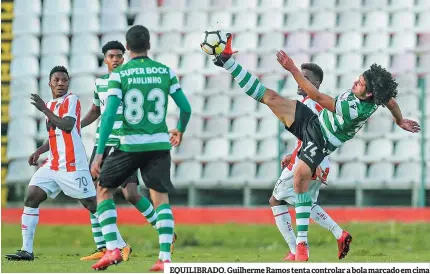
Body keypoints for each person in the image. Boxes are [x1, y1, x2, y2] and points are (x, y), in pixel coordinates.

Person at [213, 35, 420, 261]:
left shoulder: (351, 108)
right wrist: (399, 120)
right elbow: (390, 101)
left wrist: (293, 69)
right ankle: (228, 62)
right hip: (313, 123)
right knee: (270, 97)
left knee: (299, 179)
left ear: (369, 94)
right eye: (359, 79)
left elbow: (316, 95)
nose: (354, 83)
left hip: (321, 139)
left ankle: (300, 247)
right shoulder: (376, 96)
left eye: (359, 84)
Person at [90, 25, 192, 271]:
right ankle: (165, 259)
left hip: (129, 144)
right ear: (148, 45)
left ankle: (113, 248)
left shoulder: (119, 75)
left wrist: (100, 152)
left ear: (127, 48)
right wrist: (180, 129)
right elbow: (186, 108)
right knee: (161, 200)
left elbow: (108, 115)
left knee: (103, 190)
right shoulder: (165, 72)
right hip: (158, 144)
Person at [79, 40, 176, 262]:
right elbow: (96, 110)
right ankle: (105, 246)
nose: (115, 59)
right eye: (111, 56)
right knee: (93, 192)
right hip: (102, 143)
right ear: (105, 58)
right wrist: (79, 124)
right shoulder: (100, 83)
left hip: (125, 143)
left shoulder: (129, 78)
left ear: (124, 56)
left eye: (119, 56)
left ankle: (164, 232)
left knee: (131, 193)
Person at [5, 66, 98, 261]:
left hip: (73, 163)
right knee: (32, 196)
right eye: (56, 80)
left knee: (92, 204)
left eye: (64, 80)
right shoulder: (51, 105)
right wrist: (39, 151)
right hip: (53, 163)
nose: (61, 83)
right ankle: (26, 250)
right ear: (50, 83)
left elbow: (67, 126)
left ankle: (116, 245)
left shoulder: (71, 100)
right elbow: (54, 135)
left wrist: (43, 109)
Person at [270, 63, 351, 261]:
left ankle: (294, 249)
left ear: (315, 83)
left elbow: (310, 139)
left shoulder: (307, 103)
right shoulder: (321, 105)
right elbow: (314, 136)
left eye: (304, 78)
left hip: (306, 161)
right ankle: (340, 234)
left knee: (276, 200)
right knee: (307, 202)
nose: (299, 81)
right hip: (321, 160)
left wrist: (296, 158)